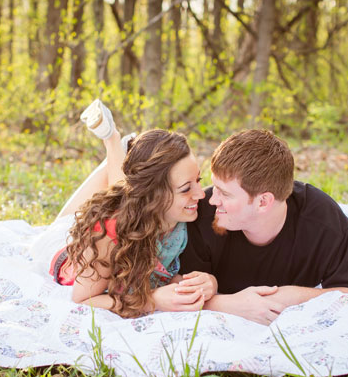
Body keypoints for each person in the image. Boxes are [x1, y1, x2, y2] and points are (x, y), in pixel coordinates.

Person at [171, 129, 348, 325]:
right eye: (215, 187)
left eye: (225, 194)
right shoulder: (202, 214)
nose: (212, 199)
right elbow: (173, 288)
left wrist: (294, 296)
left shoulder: (321, 220)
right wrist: (229, 304)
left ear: (263, 202)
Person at [32, 100, 216, 318]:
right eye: (186, 188)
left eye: (198, 180)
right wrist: (152, 300)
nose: (201, 194)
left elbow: (163, 271)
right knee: (117, 197)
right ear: (154, 195)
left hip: (136, 208)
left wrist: (204, 283)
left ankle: (117, 145)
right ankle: (113, 142)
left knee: (124, 193)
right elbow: (83, 298)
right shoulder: (108, 235)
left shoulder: (177, 218)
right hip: (59, 250)